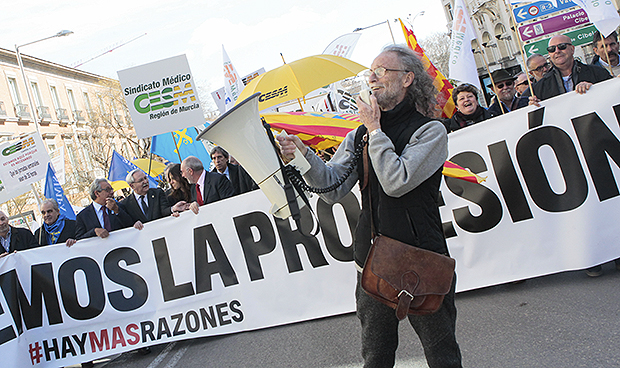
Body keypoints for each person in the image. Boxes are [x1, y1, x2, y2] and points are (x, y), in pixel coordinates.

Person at [278, 44, 462, 368]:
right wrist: (303, 155)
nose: (372, 78)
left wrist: (376, 131)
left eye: (381, 71)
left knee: (442, 356)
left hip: (423, 260)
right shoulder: (360, 134)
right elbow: (332, 189)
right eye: (370, 73)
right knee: (376, 358)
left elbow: (396, 181)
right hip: (372, 262)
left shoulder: (430, 131)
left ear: (407, 79)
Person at [530, 34, 612, 103]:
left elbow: (612, 94)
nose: (557, 51)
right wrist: (533, 106)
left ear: (572, 49)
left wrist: (595, 88)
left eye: (562, 46)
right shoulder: (540, 88)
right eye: (552, 49)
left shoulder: (597, 72)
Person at [120, 169, 186, 230]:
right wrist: (134, 225)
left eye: (145, 178)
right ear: (132, 186)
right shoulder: (126, 204)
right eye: (140, 180)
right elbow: (127, 224)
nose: (145, 181)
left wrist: (173, 209)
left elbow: (164, 210)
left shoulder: (158, 193)